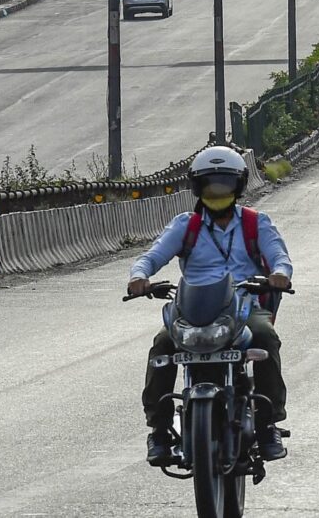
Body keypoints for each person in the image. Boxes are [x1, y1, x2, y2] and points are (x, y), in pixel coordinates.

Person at [128, 146, 294, 466]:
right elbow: (151, 258)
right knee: (162, 345)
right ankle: (159, 431)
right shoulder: (185, 225)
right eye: (209, 183)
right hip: (193, 309)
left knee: (265, 336)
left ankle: (268, 422)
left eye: (225, 183)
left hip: (244, 307)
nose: (217, 190)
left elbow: (280, 259)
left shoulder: (256, 224)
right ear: (197, 187)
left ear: (239, 186)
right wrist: (140, 277)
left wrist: (278, 276)